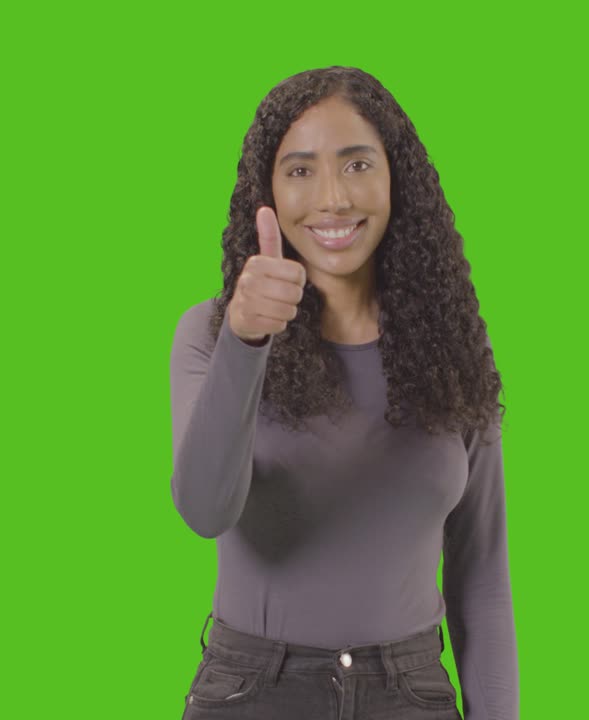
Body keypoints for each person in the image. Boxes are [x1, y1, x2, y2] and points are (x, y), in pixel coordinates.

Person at [169, 66, 517, 719]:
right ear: (266, 193)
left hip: (410, 693)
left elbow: (482, 582)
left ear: (395, 179)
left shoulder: (454, 347)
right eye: (300, 170)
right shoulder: (211, 333)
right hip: (254, 691)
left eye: (356, 164)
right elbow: (204, 510)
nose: (331, 197)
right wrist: (246, 344)